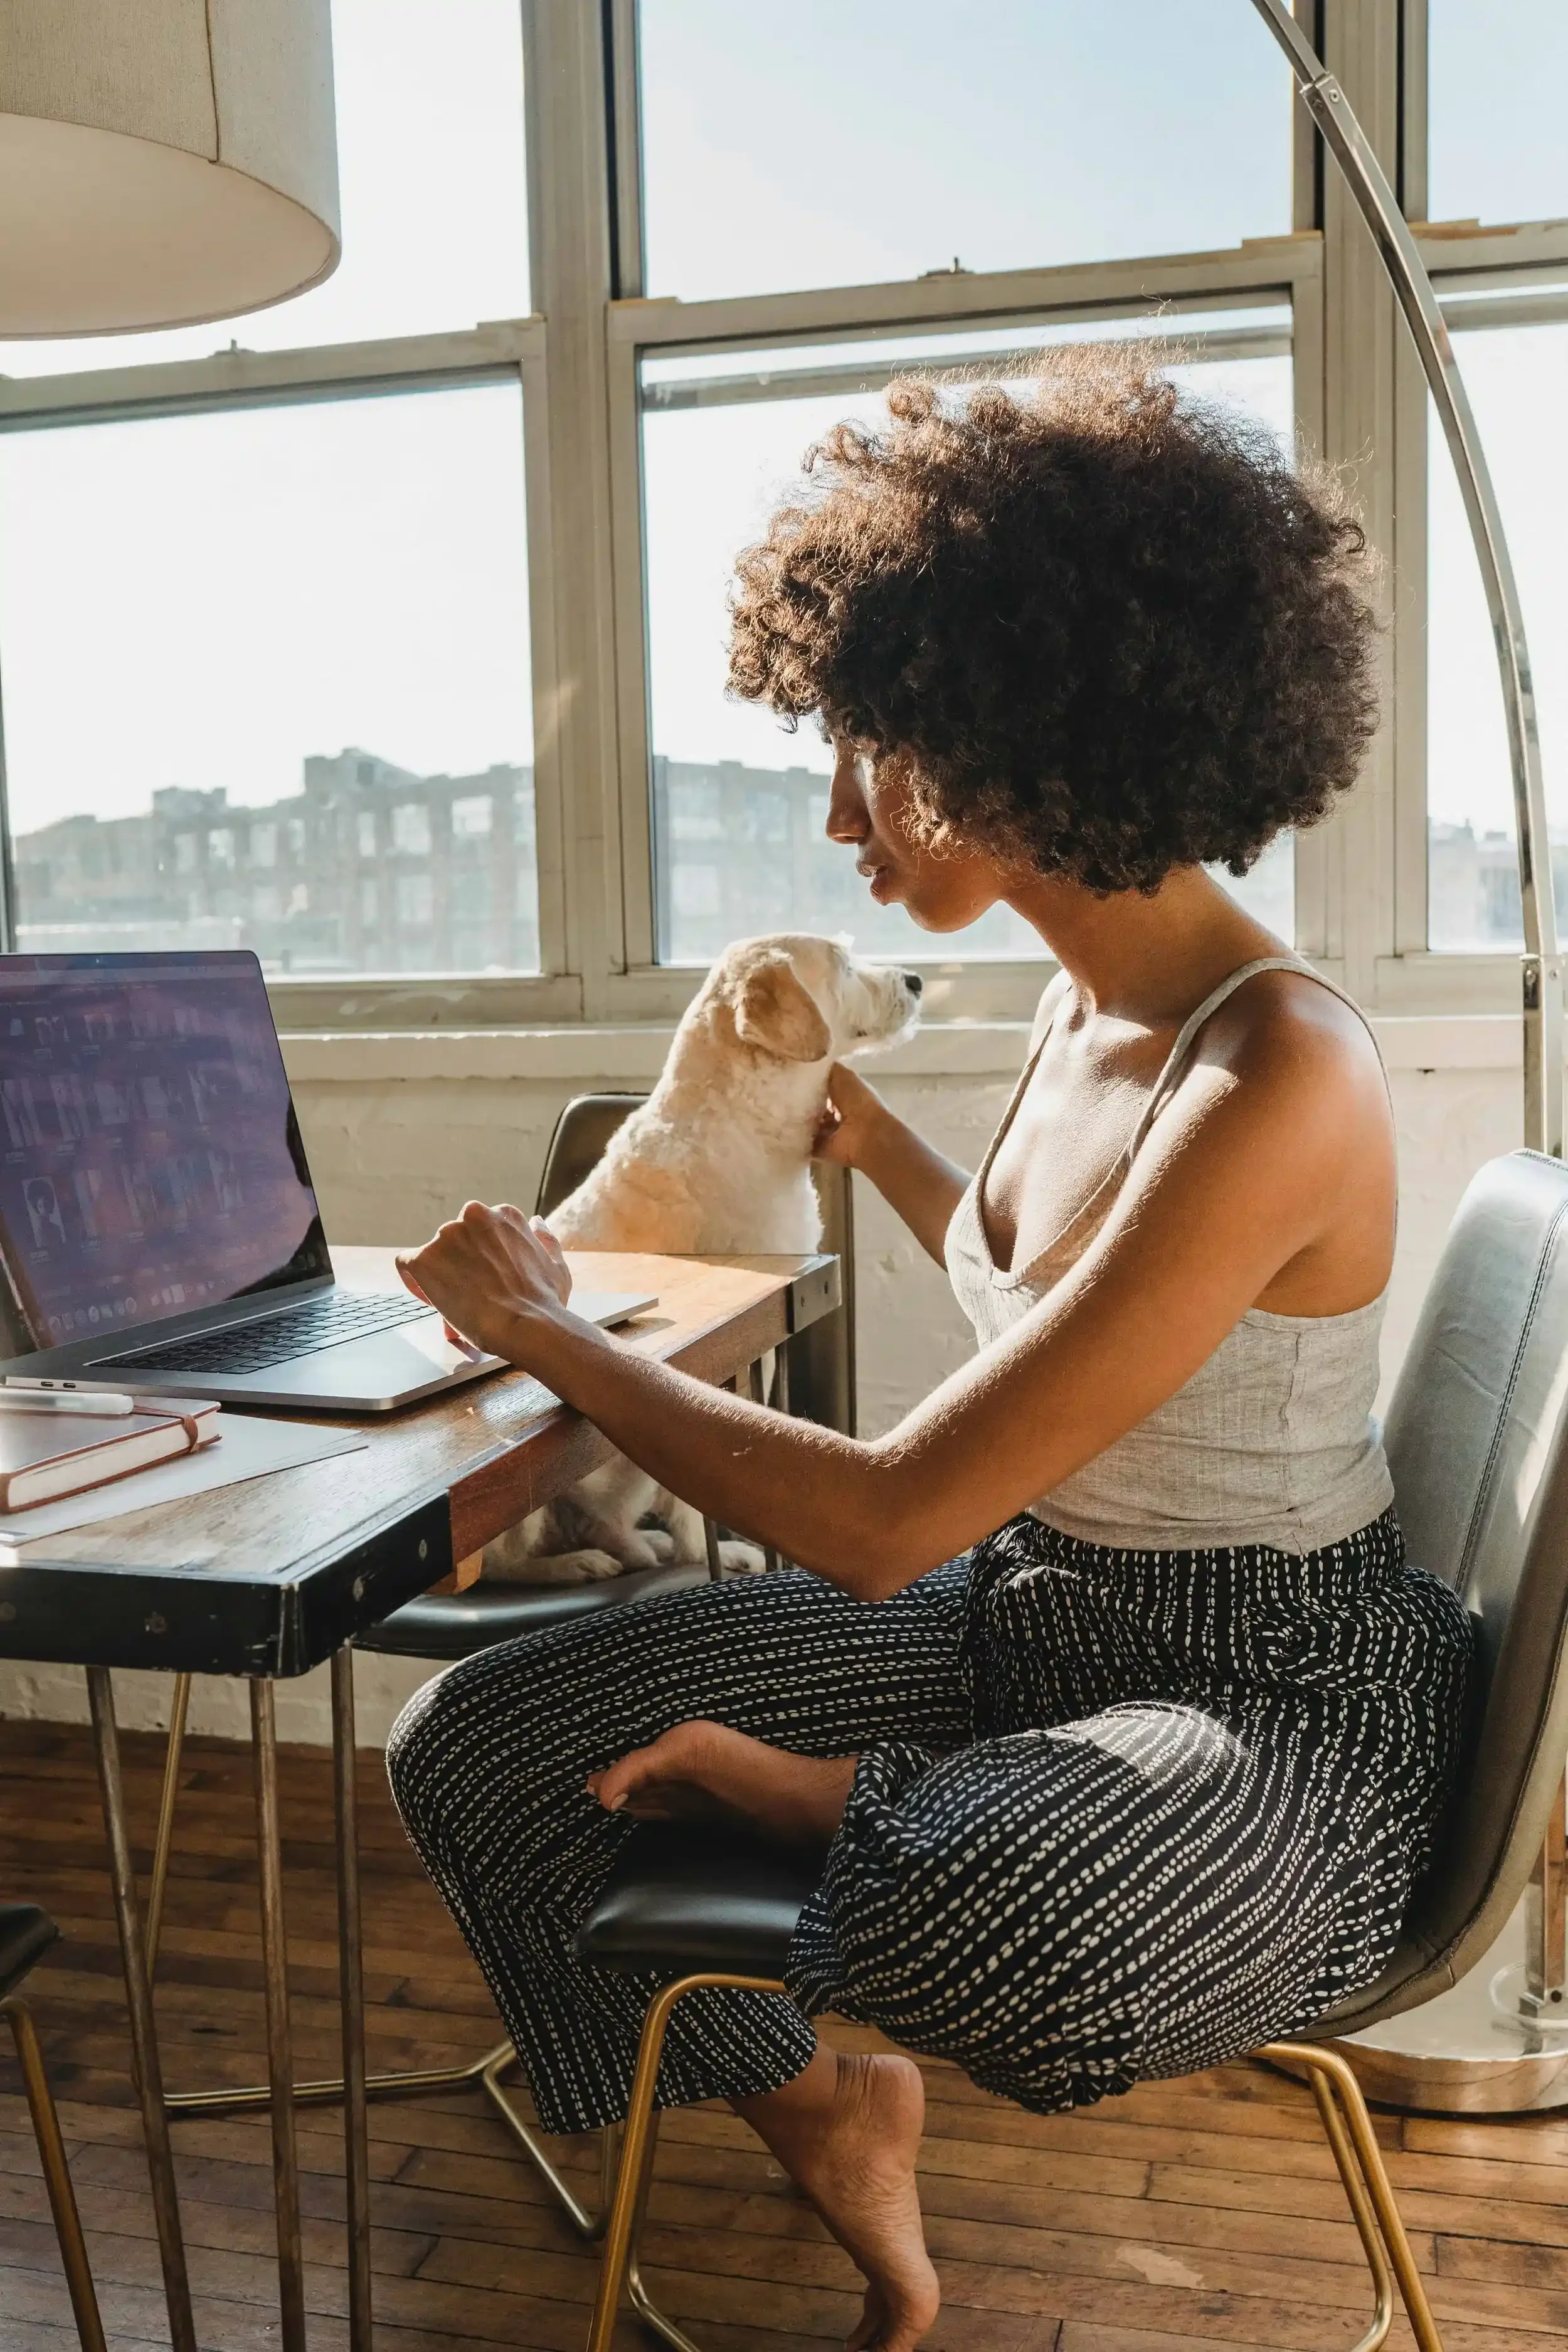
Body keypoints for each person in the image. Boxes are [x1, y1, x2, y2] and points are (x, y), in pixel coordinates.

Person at [385, 349, 1472, 2352]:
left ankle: (825, 1799)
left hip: (1262, 1687)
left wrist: (546, 1328)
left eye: (869, 751)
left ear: (1021, 732)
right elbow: (1047, 1294)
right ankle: (826, 2107)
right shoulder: (1084, 1010)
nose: (837, 815)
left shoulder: (1279, 1066)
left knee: (1015, 1912)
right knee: (478, 1747)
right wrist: (879, 1144)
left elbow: (886, 1518)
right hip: (1025, 1620)